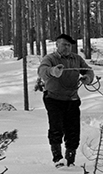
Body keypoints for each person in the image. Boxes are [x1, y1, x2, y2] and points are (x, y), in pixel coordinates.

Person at [38, 33, 94, 166]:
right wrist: (52, 71)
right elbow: (42, 70)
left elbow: (88, 70)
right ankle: (57, 158)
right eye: (64, 44)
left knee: (73, 130)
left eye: (69, 45)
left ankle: (70, 159)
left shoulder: (77, 59)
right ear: (57, 45)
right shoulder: (50, 58)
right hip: (53, 98)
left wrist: (88, 78)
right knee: (56, 127)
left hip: (72, 99)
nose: (67, 47)